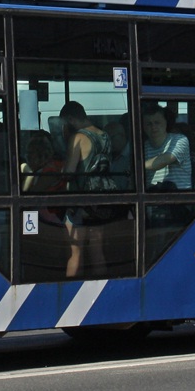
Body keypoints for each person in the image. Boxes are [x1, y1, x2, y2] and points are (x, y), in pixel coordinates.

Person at [60, 101, 116, 278]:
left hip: (81, 202)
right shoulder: (105, 135)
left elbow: (68, 173)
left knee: (75, 254)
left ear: (70, 119)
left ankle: (70, 294)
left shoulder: (78, 137)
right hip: (102, 199)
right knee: (97, 252)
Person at [142, 104, 191, 190]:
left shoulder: (179, 140)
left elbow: (165, 159)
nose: (153, 127)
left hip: (179, 199)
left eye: (157, 122)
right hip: (150, 199)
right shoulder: (142, 147)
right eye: (149, 124)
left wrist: (138, 166)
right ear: (143, 127)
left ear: (166, 123)